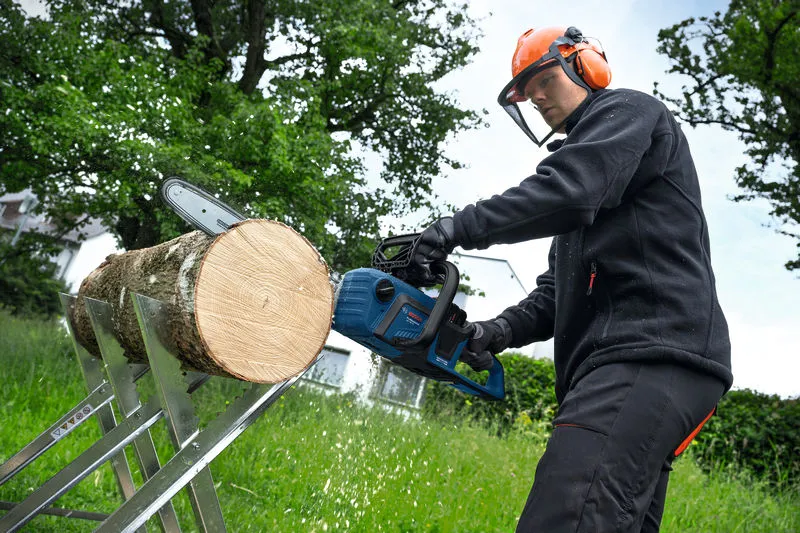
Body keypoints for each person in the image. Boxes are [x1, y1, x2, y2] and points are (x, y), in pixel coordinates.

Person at [409, 26, 733, 532]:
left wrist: (455, 228)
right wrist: (493, 332)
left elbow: (568, 189)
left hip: (648, 354)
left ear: (584, 65)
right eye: (524, 92)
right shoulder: (590, 194)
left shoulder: (627, 114)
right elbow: (554, 296)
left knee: (566, 516)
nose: (536, 97)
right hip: (652, 369)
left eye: (543, 80)